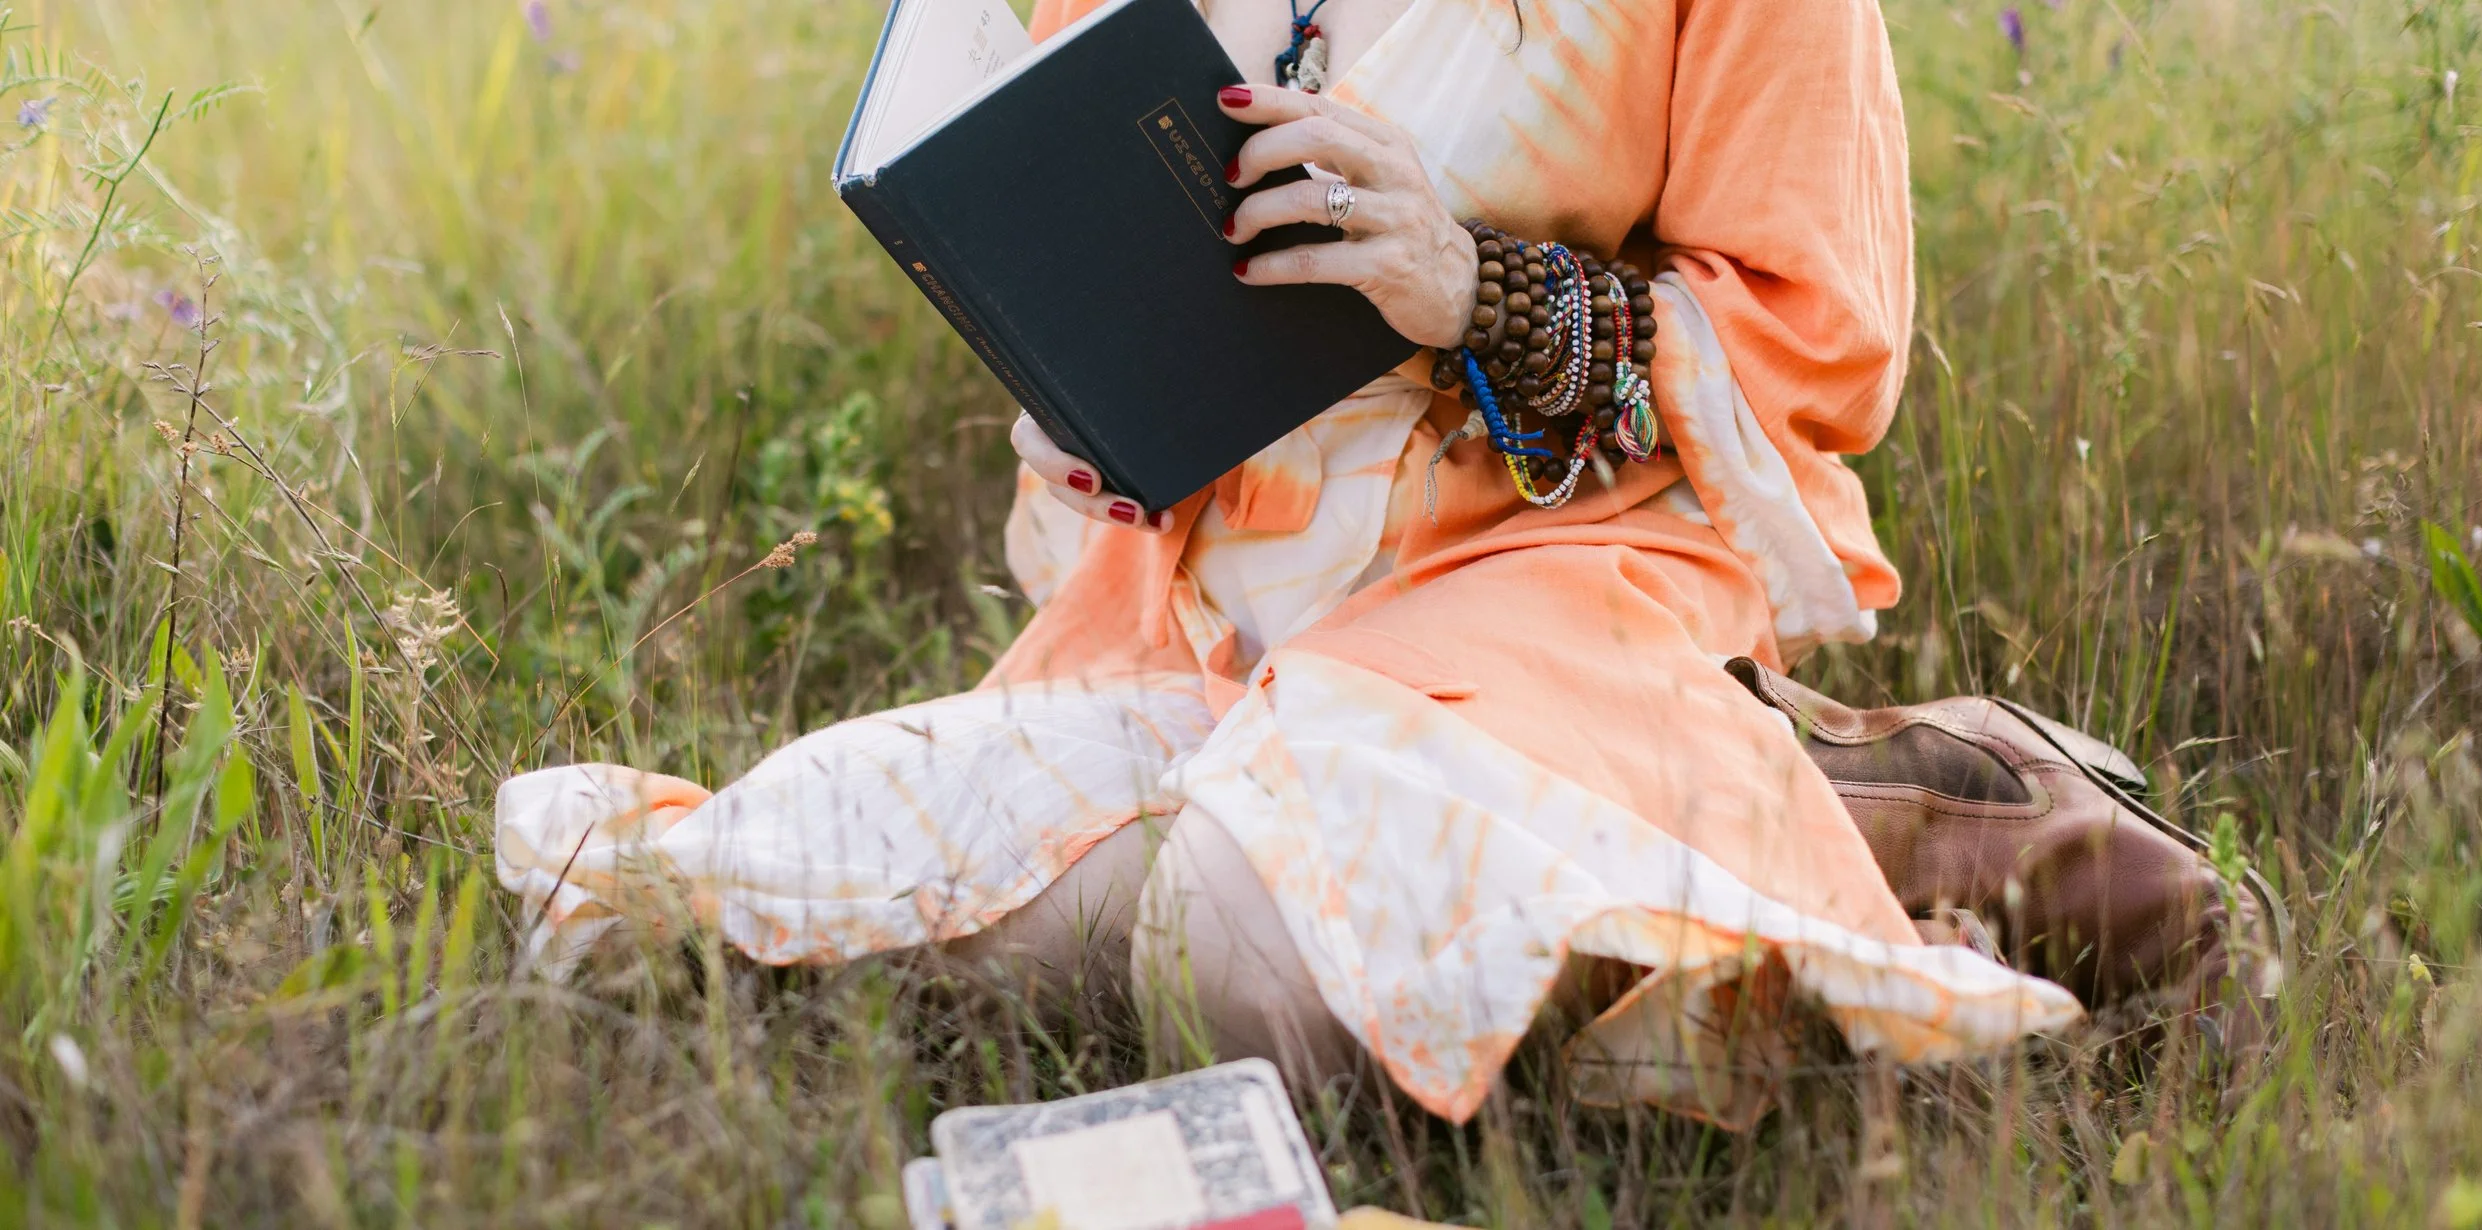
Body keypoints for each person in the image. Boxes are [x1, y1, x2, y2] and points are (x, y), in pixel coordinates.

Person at [495, 0, 2274, 1128]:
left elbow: (1821, 350)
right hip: (1201, 635)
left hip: (1556, 587)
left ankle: (1875, 803)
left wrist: (1470, 283)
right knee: (720, 903)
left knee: (1236, 950)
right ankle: (1645, 879)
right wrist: (1076, 398)